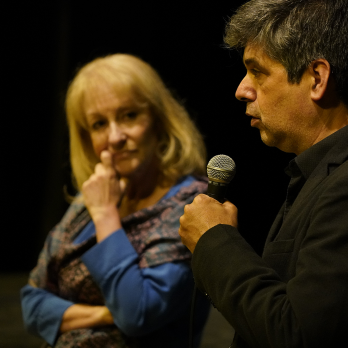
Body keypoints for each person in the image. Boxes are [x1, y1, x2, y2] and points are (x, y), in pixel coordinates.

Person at [179, 0, 348, 347]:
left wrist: (215, 242)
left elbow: (296, 335)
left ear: (317, 79)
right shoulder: (329, 172)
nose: (241, 89)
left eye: (258, 71)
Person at [21, 54, 210, 347]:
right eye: (98, 124)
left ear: (159, 120)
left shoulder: (190, 205)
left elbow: (136, 314)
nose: (114, 137)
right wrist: (106, 315)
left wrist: (106, 215)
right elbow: (32, 305)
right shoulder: (91, 200)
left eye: (129, 116)